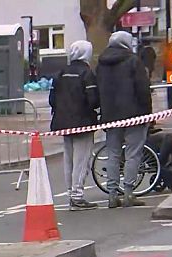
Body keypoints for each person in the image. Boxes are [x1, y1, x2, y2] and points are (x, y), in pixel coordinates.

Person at [96, 31, 152, 208]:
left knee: (113, 154)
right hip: (134, 114)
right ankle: (128, 192)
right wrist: (148, 114)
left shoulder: (101, 63)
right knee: (132, 154)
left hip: (111, 116)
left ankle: (112, 194)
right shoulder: (133, 61)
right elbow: (143, 89)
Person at [49, 40, 100, 211]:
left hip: (63, 122)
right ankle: (77, 196)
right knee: (81, 160)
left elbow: (52, 99)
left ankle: (71, 192)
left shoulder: (61, 72)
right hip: (83, 122)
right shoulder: (87, 74)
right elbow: (93, 99)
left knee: (68, 159)